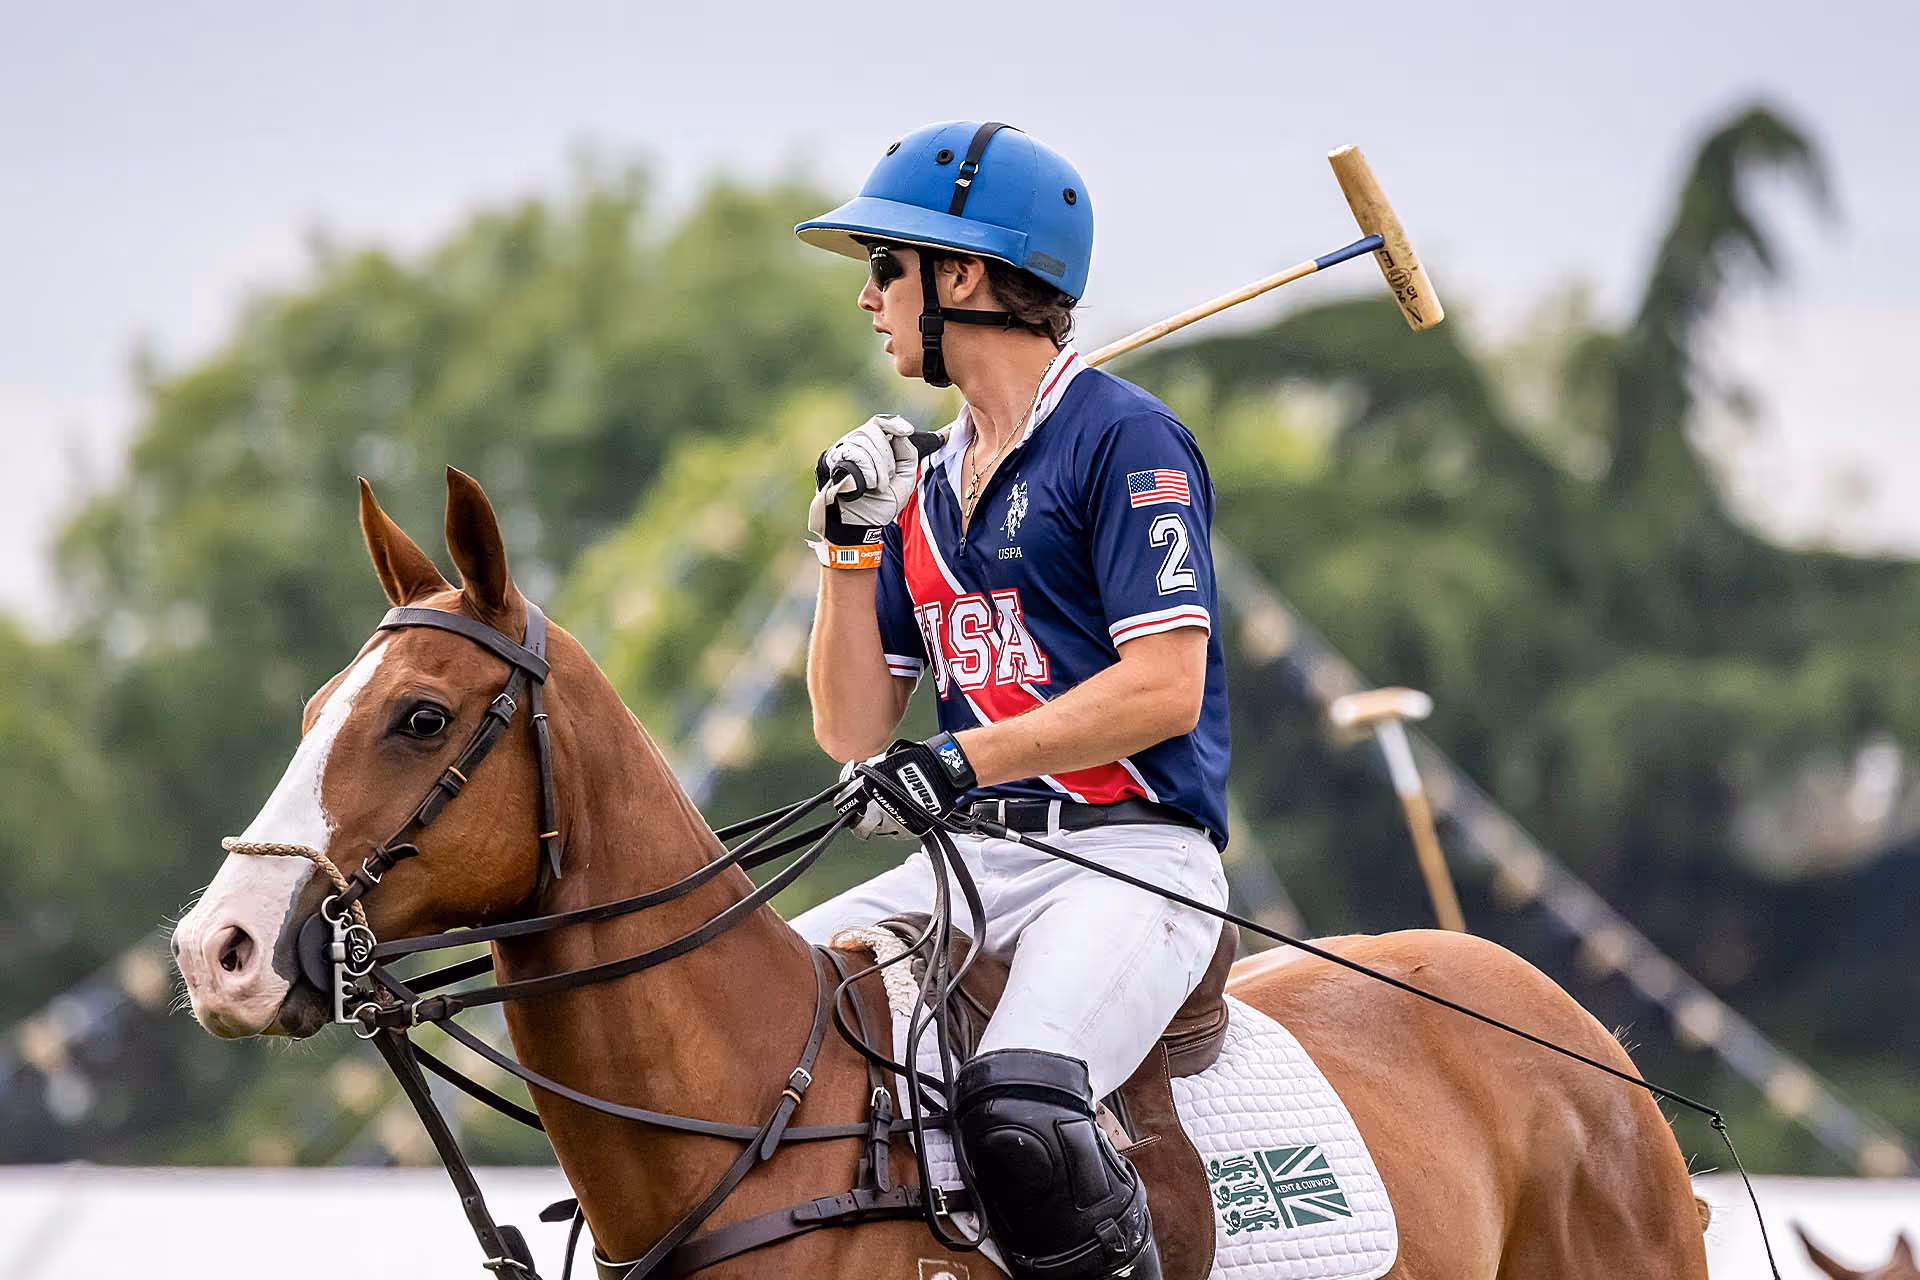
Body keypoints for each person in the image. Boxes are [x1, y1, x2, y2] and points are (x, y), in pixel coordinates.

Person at [790, 121, 1232, 1280]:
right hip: (973, 863)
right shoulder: (924, 483)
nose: (868, 296)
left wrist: (965, 759)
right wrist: (846, 550)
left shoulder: (1125, 437)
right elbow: (851, 729)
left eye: (886, 265)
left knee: (1022, 1108)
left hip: (1130, 857)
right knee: (745, 1015)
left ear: (965, 277)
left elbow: (1166, 685)